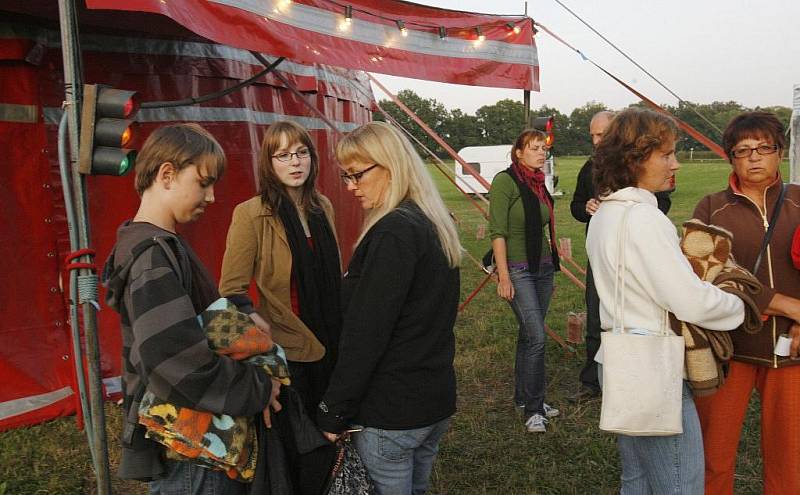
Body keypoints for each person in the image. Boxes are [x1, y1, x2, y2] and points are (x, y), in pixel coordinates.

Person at [103, 123, 281, 494]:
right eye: (203, 182)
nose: (212, 196)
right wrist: (258, 387)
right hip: (193, 452)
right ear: (167, 174)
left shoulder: (158, 245)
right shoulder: (152, 255)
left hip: (197, 446)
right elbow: (174, 360)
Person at [586, 107, 745, 493]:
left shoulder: (605, 214)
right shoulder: (643, 218)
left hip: (619, 359)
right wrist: (736, 303)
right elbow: (689, 301)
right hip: (652, 366)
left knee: (637, 479)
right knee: (680, 484)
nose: (676, 163)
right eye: (667, 154)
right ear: (635, 157)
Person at [316, 121, 461, 495]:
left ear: (390, 165)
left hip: (393, 411)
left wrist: (334, 409)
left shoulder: (393, 232)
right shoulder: (432, 222)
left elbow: (367, 334)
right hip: (431, 401)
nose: (350, 187)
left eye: (357, 175)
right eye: (346, 176)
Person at [219, 120, 341, 493]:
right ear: (269, 164)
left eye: (301, 152)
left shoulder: (323, 207)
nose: (295, 162)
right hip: (286, 347)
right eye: (283, 155)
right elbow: (231, 289)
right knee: (299, 446)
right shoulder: (252, 213)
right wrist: (256, 323)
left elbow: (332, 275)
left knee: (333, 436)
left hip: (332, 338)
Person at [691, 111, 800, 494]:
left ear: (779, 152)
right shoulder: (711, 208)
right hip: (728, 349)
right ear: (731, 157)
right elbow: (706, 274)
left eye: (763, 148)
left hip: (791, 352)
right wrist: (783, 303)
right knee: (713, 458)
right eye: (743, 150)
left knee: (791, 461)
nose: (754, 157)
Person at [569, 110, 672, 402]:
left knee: (634, 316)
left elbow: (661, 201)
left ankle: (630, 380)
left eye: (601, 134)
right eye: (592, 135)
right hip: (602, 255)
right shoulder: (589, 167)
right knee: (595, 315)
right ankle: (593, 381)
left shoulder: (638, 166)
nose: (596, 140)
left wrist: (630, 213)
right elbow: (575, 206)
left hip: (636, 255)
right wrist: (585, 206)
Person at [489, 128, 561, 432]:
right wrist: (503, 276)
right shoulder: (505, 181)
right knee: (537, 339)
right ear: (518, 152)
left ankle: (524, 397)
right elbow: (498, 232)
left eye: (543, 149)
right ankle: (534, 409)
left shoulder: (538, 184)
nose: (541, 153)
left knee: (527, 337)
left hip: (543, 268)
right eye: (533, 148)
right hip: (518, 270)